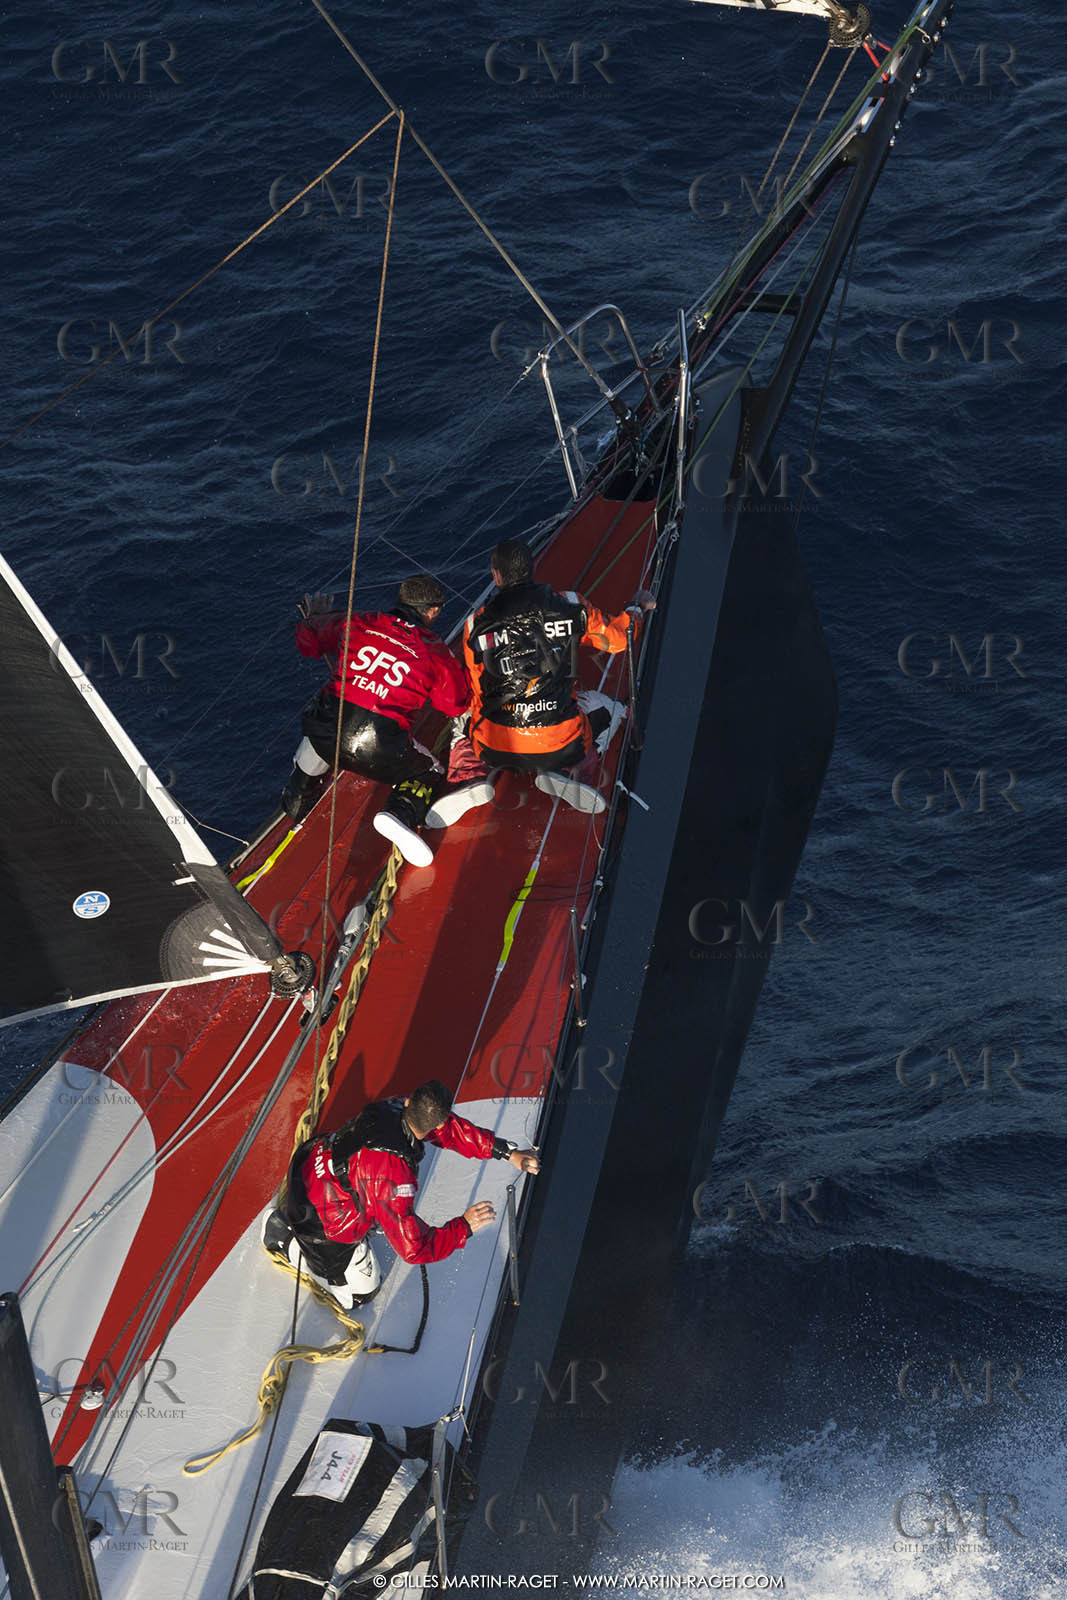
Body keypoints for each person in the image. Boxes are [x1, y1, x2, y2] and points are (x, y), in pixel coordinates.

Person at [262, 1079, 540, 1311]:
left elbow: (449, 1129)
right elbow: (413, 1249)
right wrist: (463, 1227)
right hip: (320, 1222)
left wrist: (506, 1152)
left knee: (365, 1198)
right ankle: (286, 1239)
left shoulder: (391, 1107)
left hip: (310, 1160)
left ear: (410, 1101)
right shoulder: (393, 1180)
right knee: (360, 1296)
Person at [280, 575, 495, 867]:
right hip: (378, 745)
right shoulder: (434, 650)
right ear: (432, 612)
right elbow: (454, 704)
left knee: (318, 746)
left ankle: (295, 810)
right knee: (429, 771)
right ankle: (398, 813)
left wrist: (316, 617)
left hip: (325, 729)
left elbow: (307, 641)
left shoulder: (358, 622)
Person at [461, 539, 655, 813]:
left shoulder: (474, 625)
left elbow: (477, 685)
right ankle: (576, 770)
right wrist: (636, 607)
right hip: (561, 745)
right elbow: (619, 640)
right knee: (614, 709)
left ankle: (466, 774)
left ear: (495, 575)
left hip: (495, 749)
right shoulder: (570, 605)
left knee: (464, 711)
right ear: (532, 568)